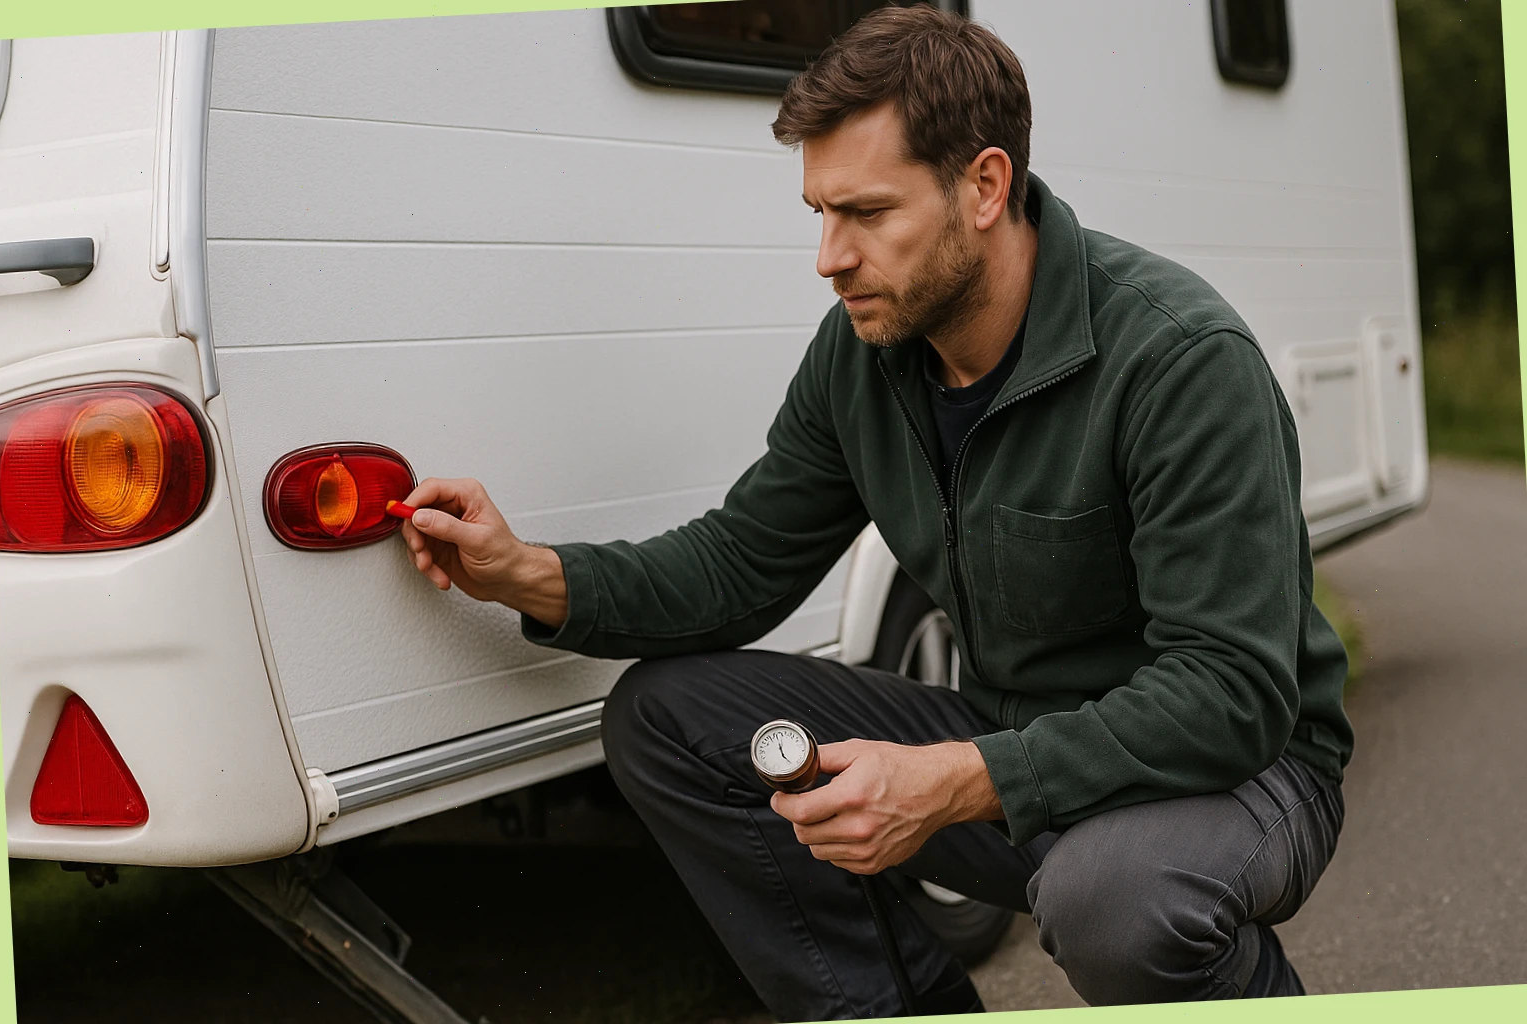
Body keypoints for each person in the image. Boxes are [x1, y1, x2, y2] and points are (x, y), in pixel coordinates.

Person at [396, 4, 1350, 1018]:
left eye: (867, 213)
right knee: (665, 719)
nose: (829, 256)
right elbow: (740, 563)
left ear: (984, 186)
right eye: (819, 211)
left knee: (1113, 901)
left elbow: (1229, 691)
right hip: (1010, 739)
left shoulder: (1180, 360)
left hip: (1239, 774)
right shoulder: (864, 354)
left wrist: (956, 779)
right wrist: (528, 573)